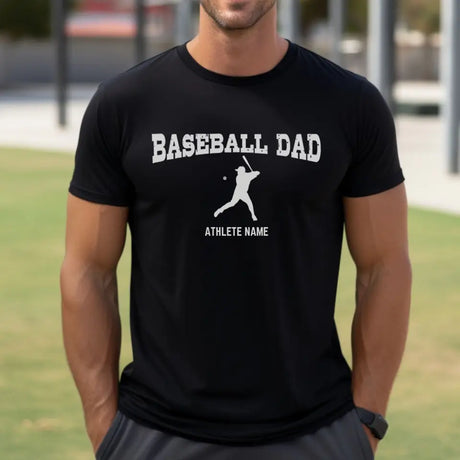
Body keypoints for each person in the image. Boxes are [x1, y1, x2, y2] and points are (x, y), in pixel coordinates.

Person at [60, 1, 412, 459]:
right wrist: (106, 429)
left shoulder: (350, 105)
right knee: (235, 205)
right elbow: (86, 269)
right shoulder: (125, 105)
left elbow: (385, 267)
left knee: (237, 205)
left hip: (315, 432)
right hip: (156, 433)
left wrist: (365, 424)